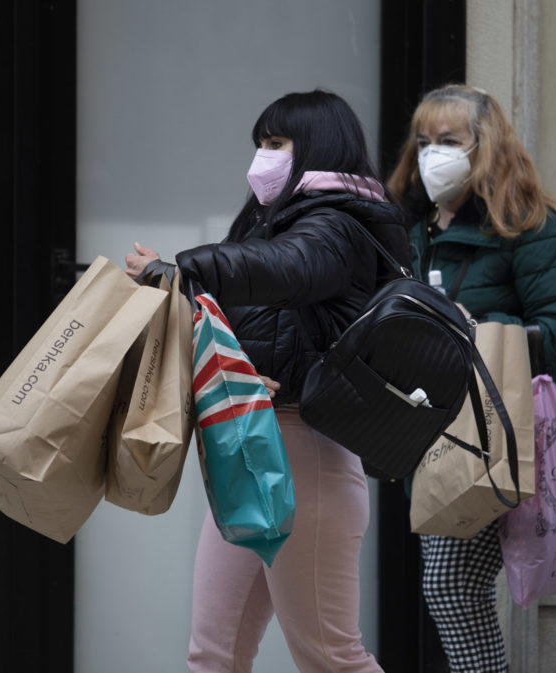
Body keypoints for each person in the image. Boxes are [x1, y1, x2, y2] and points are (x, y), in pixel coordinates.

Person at [126, 90, 409, 673]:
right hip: (251, 447)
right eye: (260, 143)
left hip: (307, 454)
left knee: (331, 658)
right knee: (214, 654)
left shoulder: (338, 222)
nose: (262, 157)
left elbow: (286, 271)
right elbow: (269, 314)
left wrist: (187, 266)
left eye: (276, 143)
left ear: (317, 148)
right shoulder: (279, 221)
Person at [387, 84, 556, 672]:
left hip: (494, 436)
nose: (431, 155)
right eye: (422, 141)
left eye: (448, 141)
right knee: (453, 590)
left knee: (450, 587)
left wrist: (481, 330)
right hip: (430, 437)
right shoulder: (409, 224)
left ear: (487, 147)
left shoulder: (529, 225)